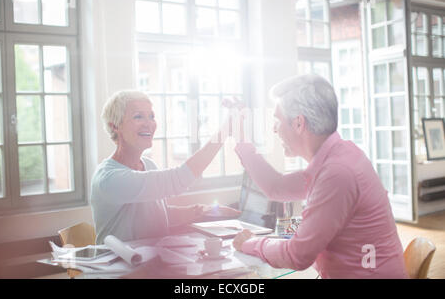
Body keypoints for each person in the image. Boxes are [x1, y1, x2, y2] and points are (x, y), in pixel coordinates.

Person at [230, 74, 408, 279]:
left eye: (277, 120)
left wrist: (250, 243)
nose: (274, 129)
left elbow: (297, 255)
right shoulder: (338, 156)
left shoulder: (337, 173)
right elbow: (275, 187)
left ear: (298, 123)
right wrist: (240, 136)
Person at [91, 90, 239, 244]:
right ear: (115, 126)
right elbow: (179, 178)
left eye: (151, 116)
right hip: (117, 265)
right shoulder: (109, 179)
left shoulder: (148, 165)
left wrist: (206, 210)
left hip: (147, 261)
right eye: (138, 116)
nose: (148, 123)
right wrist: (226, 129)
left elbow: (159, 215)